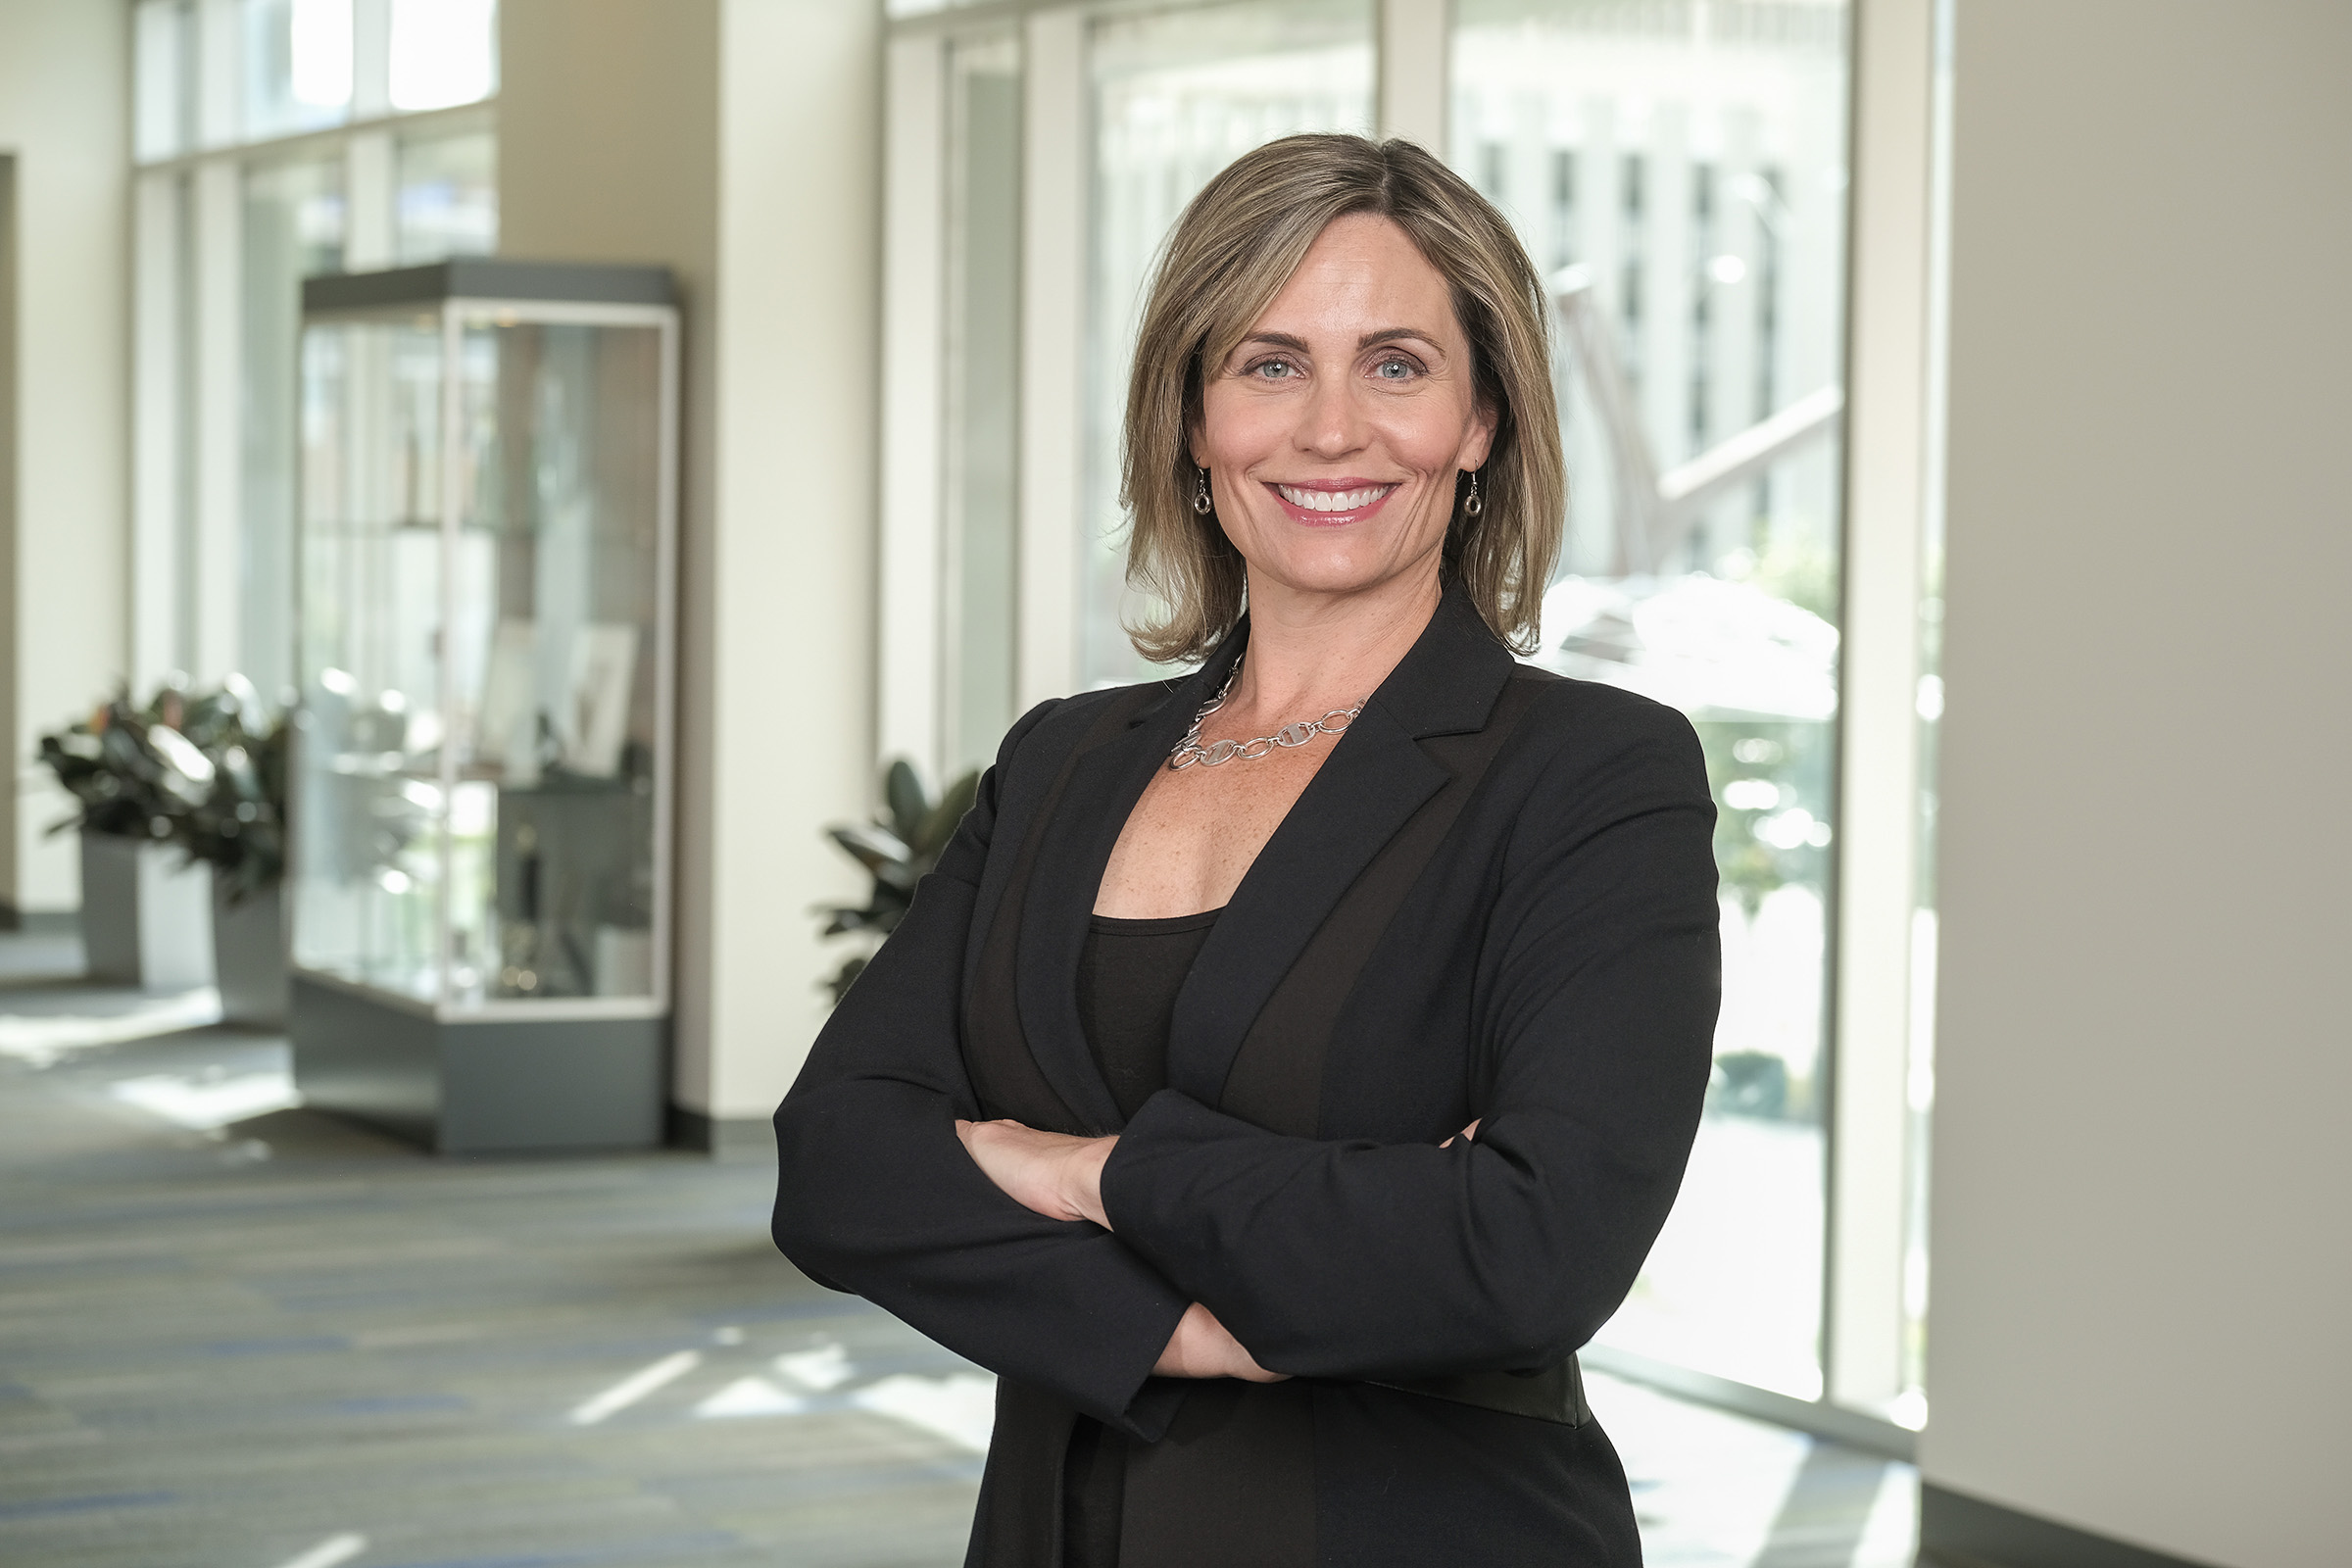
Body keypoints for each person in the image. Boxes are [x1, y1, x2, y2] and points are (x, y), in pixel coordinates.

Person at [773, 132, 1720, 1567]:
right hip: (1056, 1531)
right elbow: (840, 1163)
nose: (1329, 430)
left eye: (1396, 366)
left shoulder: (1592, 776)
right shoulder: (1064, 760)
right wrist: (1191, 1329)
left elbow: (1531, 1252)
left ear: (1481, 422)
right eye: (1270, 365)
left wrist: (1085, 1173)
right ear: (1194, 417)